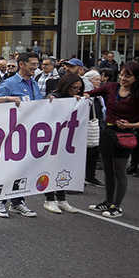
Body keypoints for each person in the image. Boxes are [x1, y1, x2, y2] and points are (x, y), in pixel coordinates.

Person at [85, 63, 139, 218]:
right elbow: (90, 93)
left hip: (124, 136)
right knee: (108, 170)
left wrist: (129, 125)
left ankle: (116, 206)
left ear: (136, 78)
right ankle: (108, 201)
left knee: (119, 171)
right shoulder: (111, 87)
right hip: (107, 133)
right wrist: (81, 95)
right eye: (122, 74)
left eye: (128, 76)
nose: (123, 78)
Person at [0, 52, 42, 219]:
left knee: (22, 169)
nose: (35, 67)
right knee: (8, 168)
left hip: (29, 134)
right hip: (11, 133)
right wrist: (9, 98)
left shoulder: (34, 83)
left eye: (36, 64)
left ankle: (17, 201)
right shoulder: (10, 83)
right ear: (22, 64)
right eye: (32, 64)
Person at [42, 74, 84, 214]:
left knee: (62, 168)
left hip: (66, 139)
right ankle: (49, 199)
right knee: (51, 167)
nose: (77, 91)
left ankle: (61, 198)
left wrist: (79, 102)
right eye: (74, 88)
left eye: (79, 88)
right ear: (66, 86)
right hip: (52, 139)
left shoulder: (73, 97)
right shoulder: (55, 96)